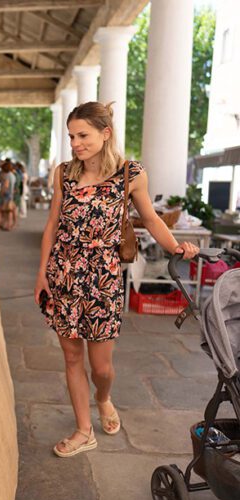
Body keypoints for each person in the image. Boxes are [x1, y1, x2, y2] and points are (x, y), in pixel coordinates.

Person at [33, 101, 199, 457]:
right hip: (63, 272)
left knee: (102, 367)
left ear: (105, 134)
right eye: (71, 136)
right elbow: (52, 226)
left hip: (103, 278)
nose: (75, 143)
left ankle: (104, 397)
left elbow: (151, 219)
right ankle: (83, 430)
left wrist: (175, 247)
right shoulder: (64, 173)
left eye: (83, 135)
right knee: (72, 357)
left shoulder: (131, 174)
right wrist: (42, 273)